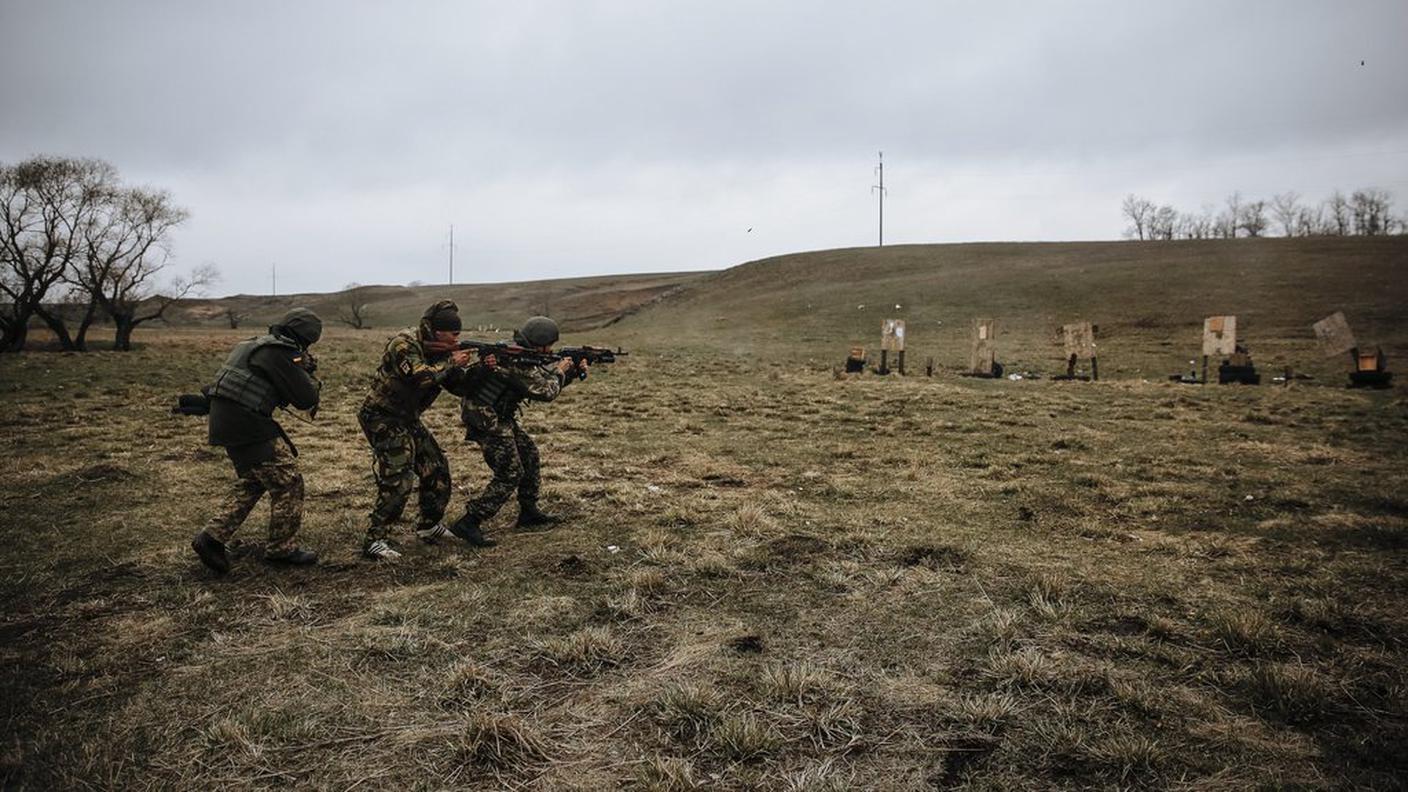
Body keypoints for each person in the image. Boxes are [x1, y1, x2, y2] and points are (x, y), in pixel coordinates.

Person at [191, 307, 323, 574]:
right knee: (289, 481)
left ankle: (211, 538)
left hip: (227, 420)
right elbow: (306, 398)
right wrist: (306, 371)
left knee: (255, 480)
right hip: (246, 422)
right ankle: (282, 549)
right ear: (304, 338)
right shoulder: (280, 352)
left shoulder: (252, 344)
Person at [447, 316, 586, 546]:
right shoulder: (515, 360)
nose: (551, 349)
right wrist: (562, 371)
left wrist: (569, 373)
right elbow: (546, 391)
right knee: (510, 472)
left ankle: (528, 512)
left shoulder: (521, 354)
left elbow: (541, 382)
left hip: (499, 416)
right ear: (539, 342)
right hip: (486, 418)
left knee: (529, 456)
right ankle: (469, 522)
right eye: (549, 344)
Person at [358, 300, 479, 560]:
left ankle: (428, 525)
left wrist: (479, 369)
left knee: (436, 467)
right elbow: (421, 376)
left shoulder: (441, 353)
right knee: (399, 477)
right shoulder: (404, 343)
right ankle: (375, 540)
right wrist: (451, 362)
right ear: (437, 332)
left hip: (408, 418)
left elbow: (458, 386)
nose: (458, 339)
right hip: (382, 416)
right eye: (454, 334)